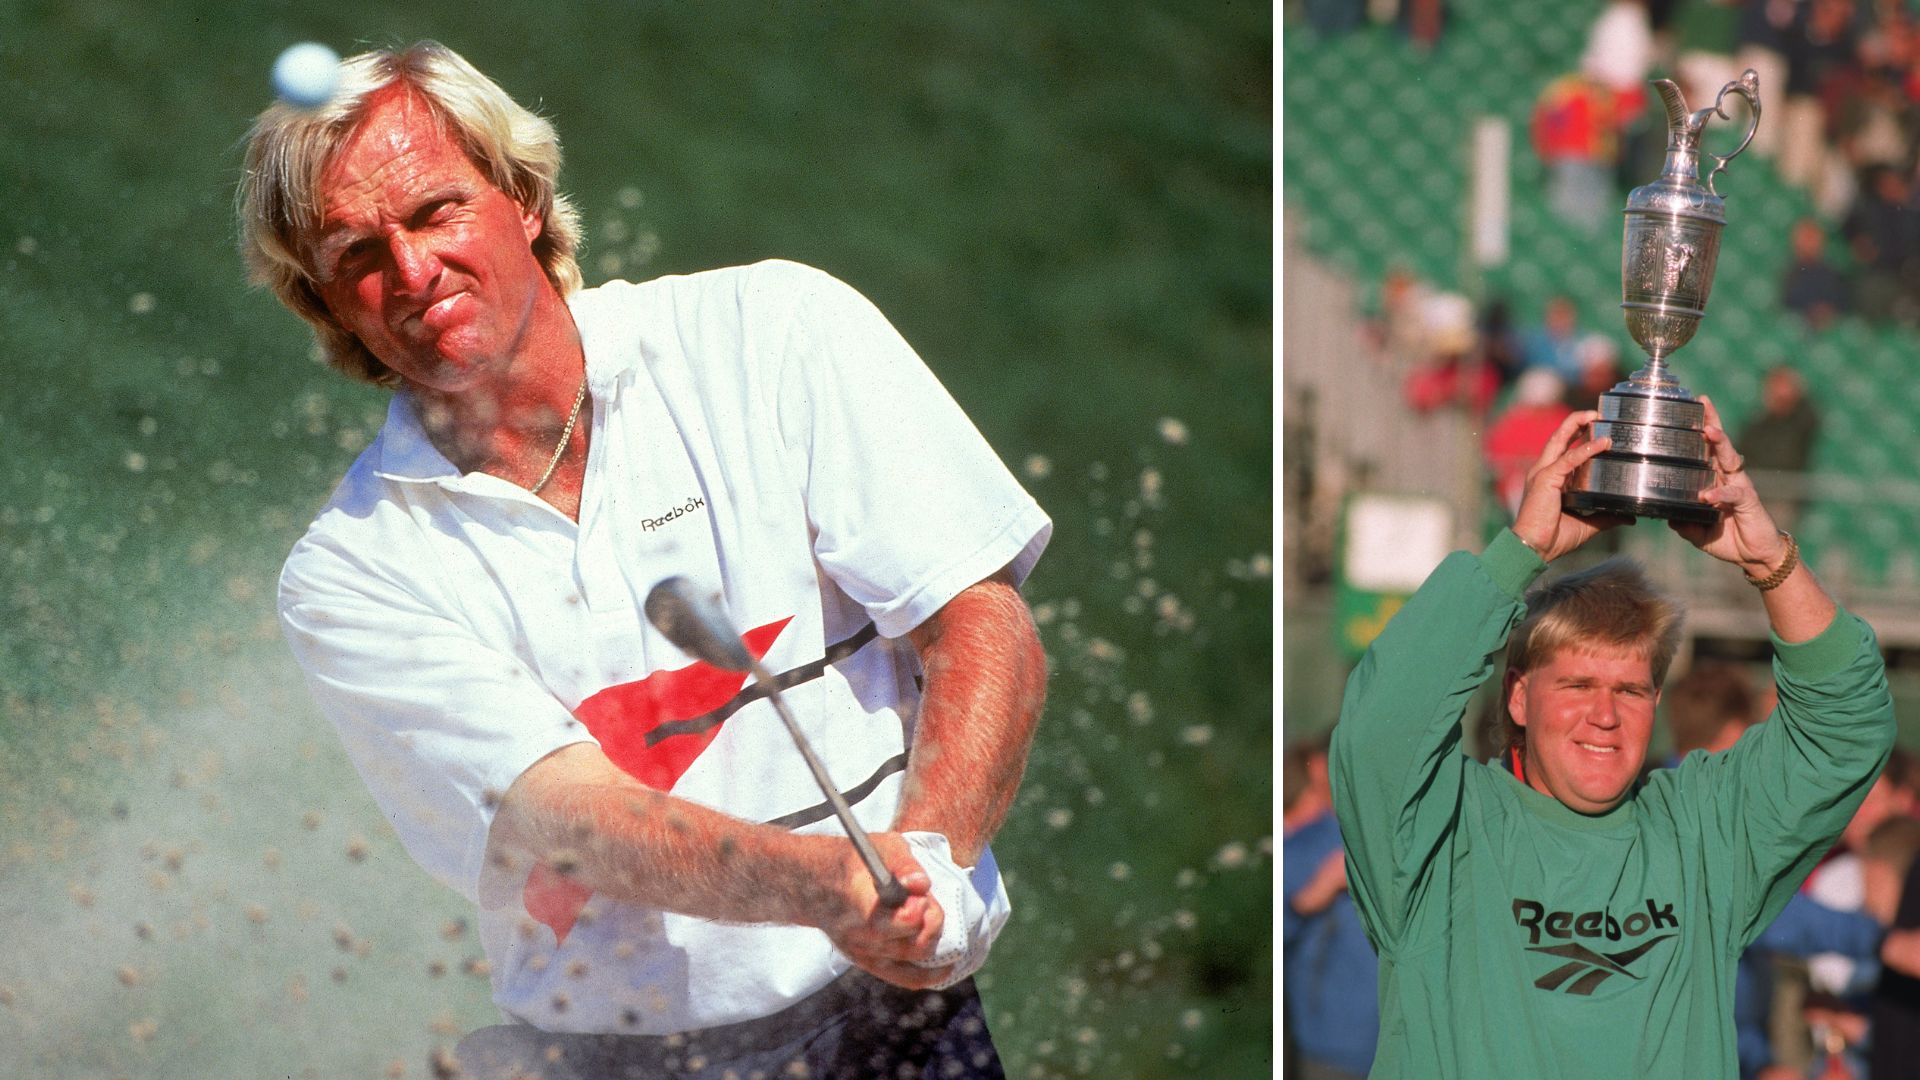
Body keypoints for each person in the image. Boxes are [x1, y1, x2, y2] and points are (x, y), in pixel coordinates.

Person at [237, 41, 1050, 1079]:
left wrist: (928, 862)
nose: (410, 270)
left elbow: (978, 620)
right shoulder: (349, 572)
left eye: (437, 211)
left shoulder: (772, 333)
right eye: (355, 253)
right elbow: (572, 822)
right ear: (325, 304)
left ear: (523, 198)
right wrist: (836, 885)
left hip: (905, 1026)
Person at [1330, 403, 1896, 1077]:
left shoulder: (1702, 832)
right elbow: (1379, 728)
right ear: (1517, 695)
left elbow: (1847, 730)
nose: (1604, 713)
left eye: (1629, 690)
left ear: (1656, 702)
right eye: (1575, 685)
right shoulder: (1441, 828)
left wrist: (1769, 561)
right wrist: (1521, 552)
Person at [1282, 736, 1379, 1080]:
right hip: (1334, 1048)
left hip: (1403, 1045)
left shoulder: (1405, 837)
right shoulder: (1308, 845)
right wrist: (1313, 895)